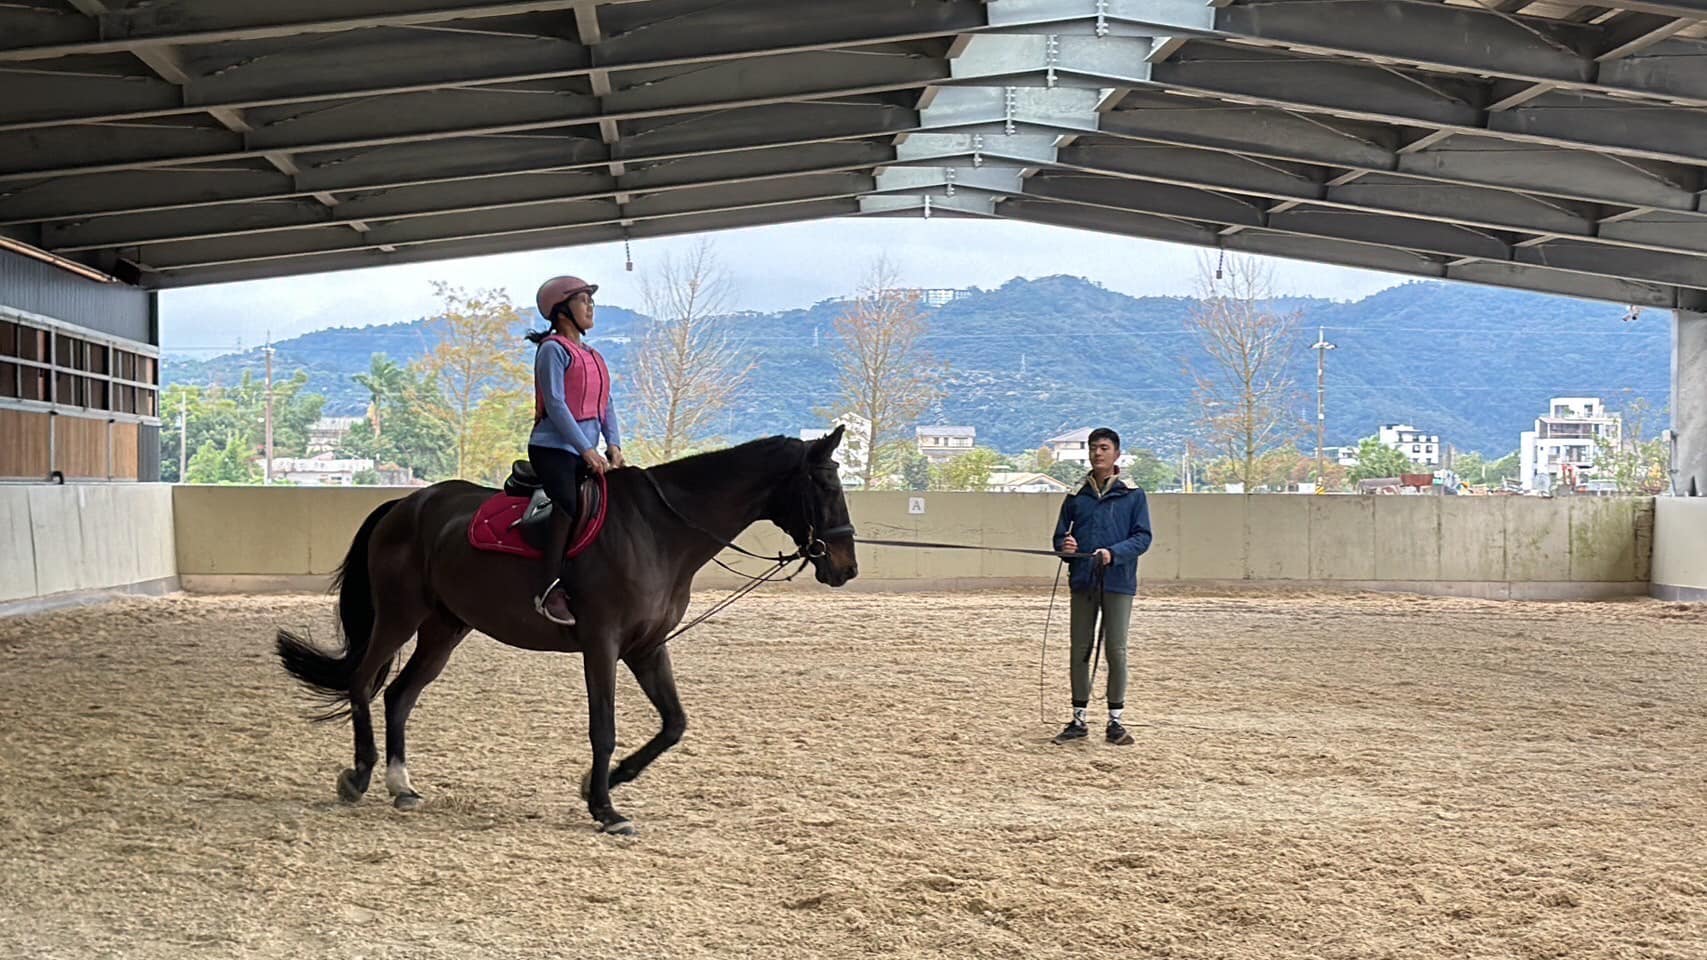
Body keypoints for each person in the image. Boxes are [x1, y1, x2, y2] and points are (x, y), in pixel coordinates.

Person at [526, 275, 625, 626]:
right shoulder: (552, 350)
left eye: (591, 301)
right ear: (562, 310)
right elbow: (554, 402)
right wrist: (586, 449)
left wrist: (612, 443)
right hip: (553, 449)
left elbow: (606, 403)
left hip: (588, 449)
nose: (591, 307)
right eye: (584, 301)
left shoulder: (593, 355)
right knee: (568, 504)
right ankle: (548, 588)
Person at [1050, 427, 1153, 745]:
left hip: (1118, 582)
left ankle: (1115, 721)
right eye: (1093, 448)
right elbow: (1058, 538)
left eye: (1104, 447)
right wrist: (1065, 548)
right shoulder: (1075, 496)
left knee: (1116, 650)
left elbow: (1143, 537)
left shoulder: (1133, 495)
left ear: (1116, 454)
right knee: (1080, 649)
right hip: (1082, 579)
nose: (1097, 453)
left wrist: (1114, 554)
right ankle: (1078, 718)